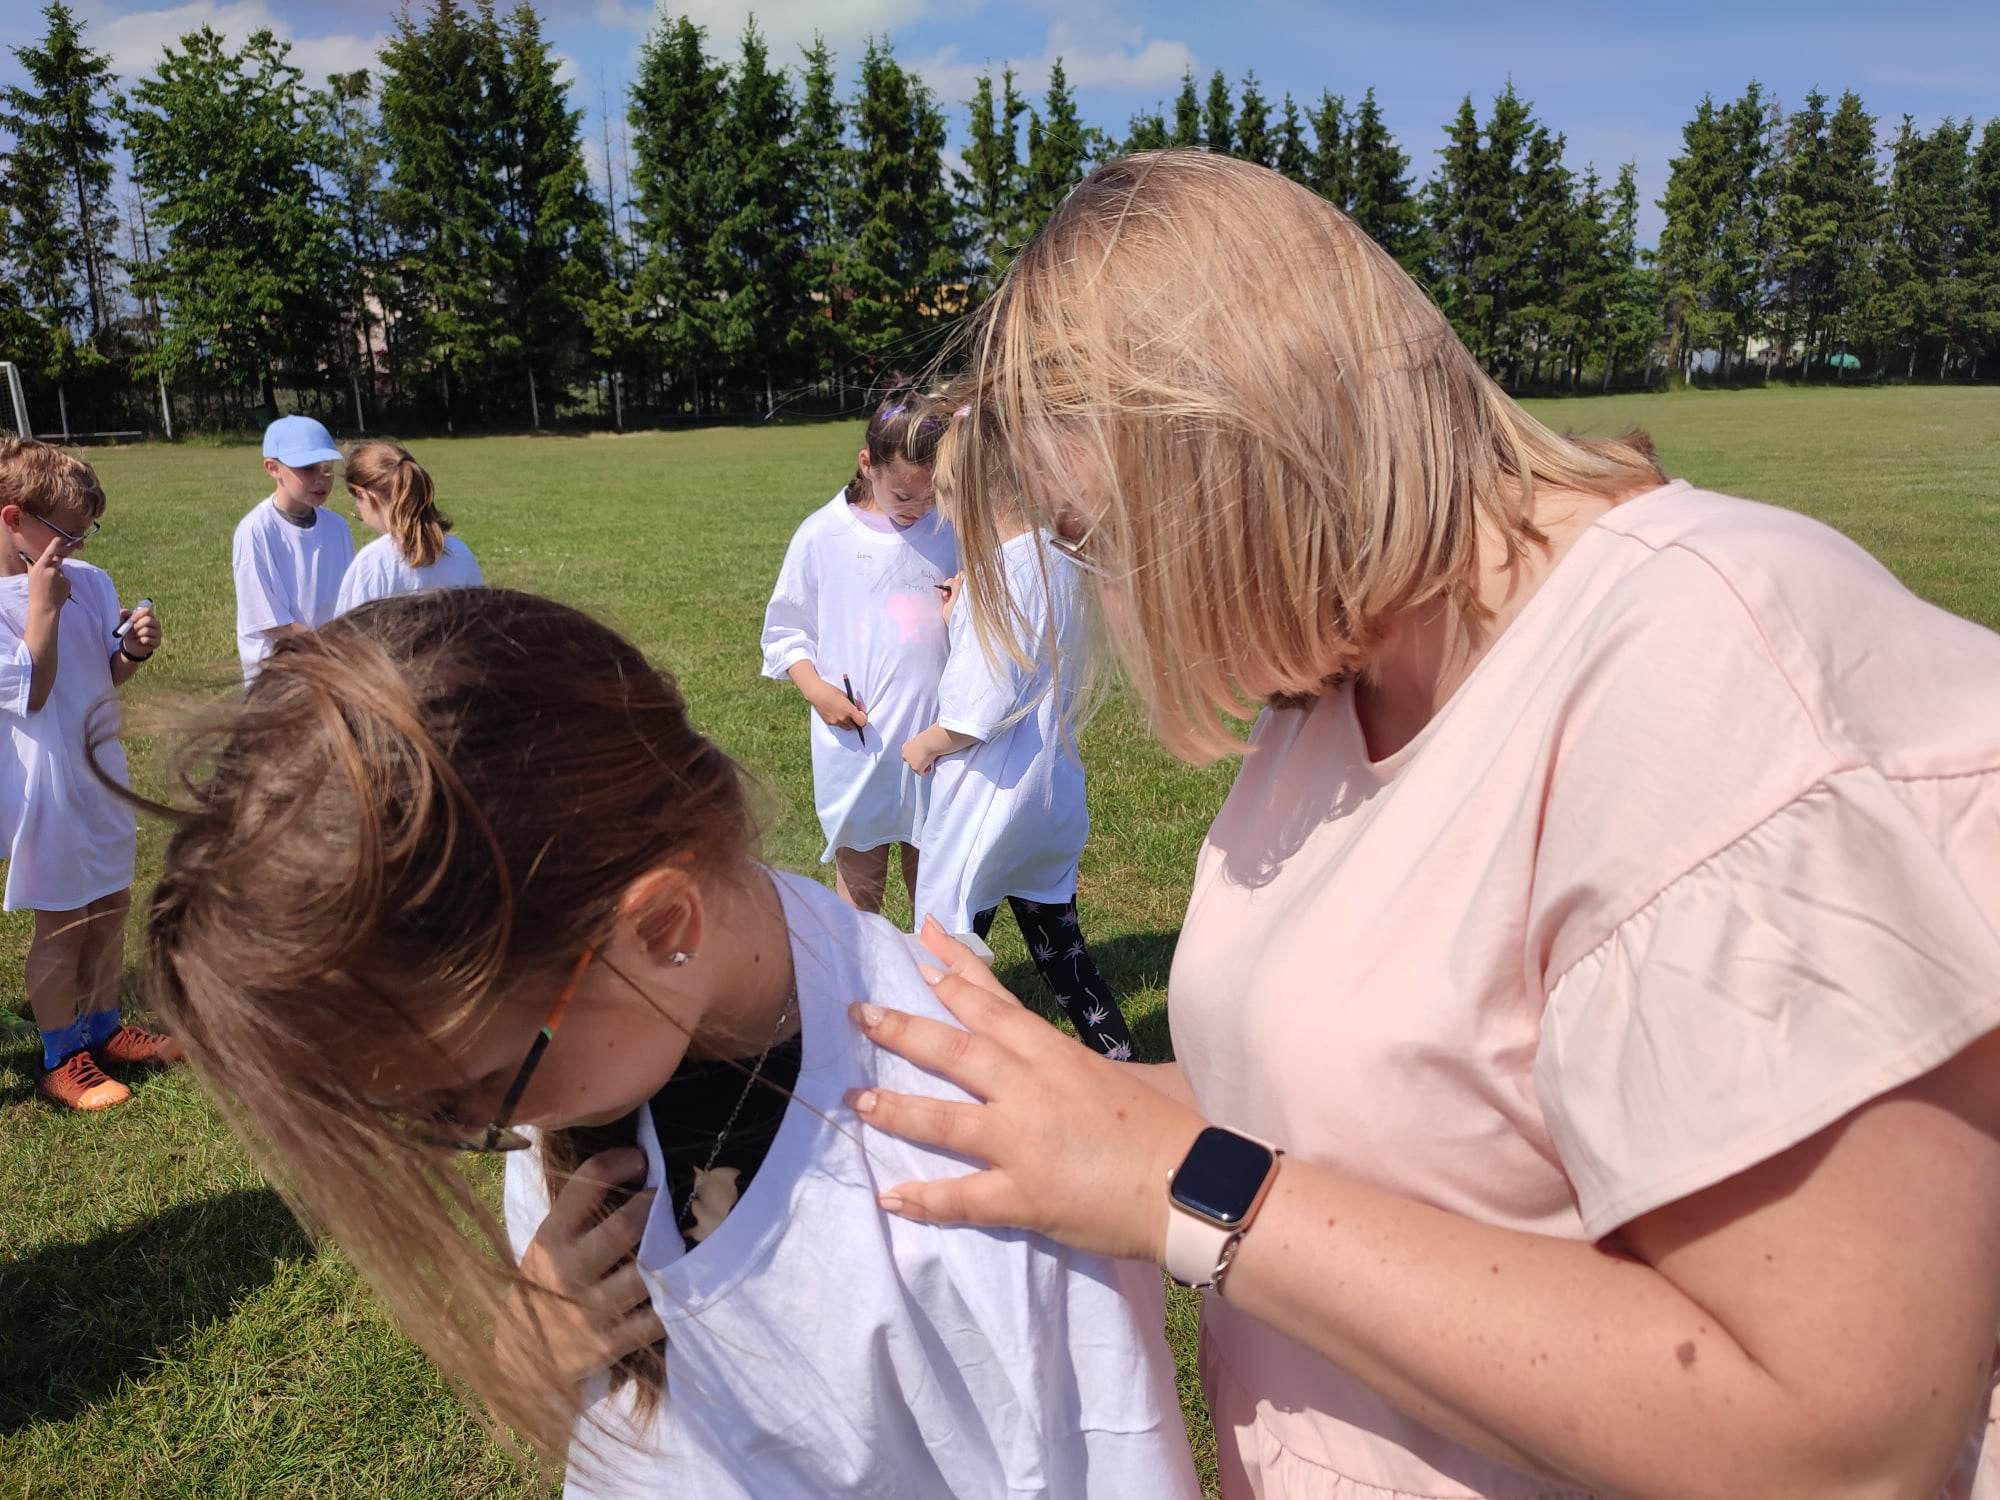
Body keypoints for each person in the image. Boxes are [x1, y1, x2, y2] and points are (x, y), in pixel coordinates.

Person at [845, 150, 2000, 1499]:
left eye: (1097, 538)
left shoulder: (1702, 672)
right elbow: (1358, 1110)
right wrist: (1042, 1109)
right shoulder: (1343, 681)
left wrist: (1184, 1189)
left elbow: (1834, 1442)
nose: (1114, 598)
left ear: (1235, 453)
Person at [130, 588, 1198, 1499]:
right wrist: (536, 1351)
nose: (488, 1133)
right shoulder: (594, 1038)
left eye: (472, 1096)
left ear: (660, 929)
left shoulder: (968, 1176)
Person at [903, 405, 1134, 1059]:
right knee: (1061, 950)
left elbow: (976, 709)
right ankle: (1120, 1059)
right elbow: (1027, 662)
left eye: (947, 501)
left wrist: (926, 744)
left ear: (970, 497)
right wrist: (960, 617)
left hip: (985, 805)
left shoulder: (994, 579)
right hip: (1050, 795)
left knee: (945, 951)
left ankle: (955, 1074)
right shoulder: (1061, 561)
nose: (945, 518)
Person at [0, 438, 180, 1111]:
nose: (77, 546)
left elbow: (102, 674)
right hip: (43, 789)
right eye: (67, 532)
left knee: (108, 909)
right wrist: (43, 606)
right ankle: (60, 1055)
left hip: (100, 772)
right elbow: (34, 691)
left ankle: (104, 1027)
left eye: (86, 532)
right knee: (63, 924)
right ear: (13, 518)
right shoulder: (15, 600)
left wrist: (132, 650)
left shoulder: (91, 581)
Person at [761, 391, 958, 914]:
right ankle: (861, 966)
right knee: (860, 892)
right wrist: (817, 691)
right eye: (904, 496)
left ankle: (930, 967)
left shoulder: (948, 530)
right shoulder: (823, 535)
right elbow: (785, 631)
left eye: (931, 496)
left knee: (934, 887)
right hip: (857, 744)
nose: (918, 510)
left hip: (934, 742)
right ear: (868, 465)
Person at [233, 414, 354, 681]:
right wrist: (328, 648)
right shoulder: (256, 530)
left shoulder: (338, 527)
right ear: (273, 468)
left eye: (327, 468)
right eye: (308, 468)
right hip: (278, 676)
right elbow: (270, 622)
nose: (321, 478)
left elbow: (349, 601)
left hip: (332, 667)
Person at [334, 441, 481, 614]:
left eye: (357, 501)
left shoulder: (373, 563)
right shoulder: (461, 553)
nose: (358, 508)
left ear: (366, 495)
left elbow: (349, 628)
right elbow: (480, 619)